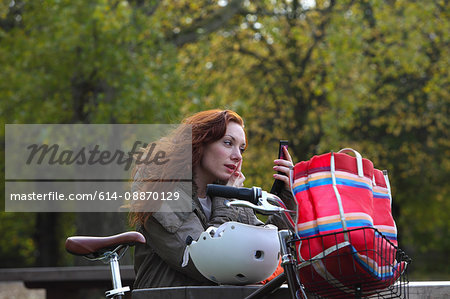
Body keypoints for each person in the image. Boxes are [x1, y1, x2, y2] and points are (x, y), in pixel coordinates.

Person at [129, 109, 295, 288]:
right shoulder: (162, 190)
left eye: (241, 149)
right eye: (228, 143)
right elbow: (204, 261)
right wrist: (226, 201)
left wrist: (286, 195)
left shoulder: (228, 191)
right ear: (200, 142)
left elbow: (265, 249)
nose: (237, 156)